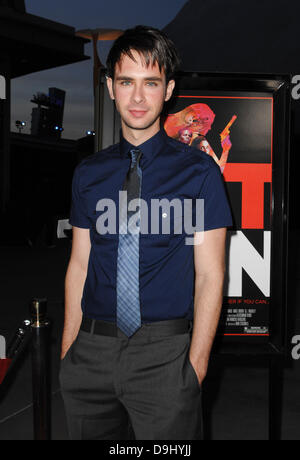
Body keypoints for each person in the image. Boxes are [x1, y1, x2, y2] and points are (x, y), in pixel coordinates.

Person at [59, 25, 232, 441]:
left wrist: (196, 364)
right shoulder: (89, 173)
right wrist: (69, 353)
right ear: (110, 87)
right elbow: (79, 264)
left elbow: (211, 274)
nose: (138, 97)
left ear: (169, 89)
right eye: (127, 82)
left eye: (150, 83)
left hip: (165, 355)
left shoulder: (200, 172)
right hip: (91, 351)